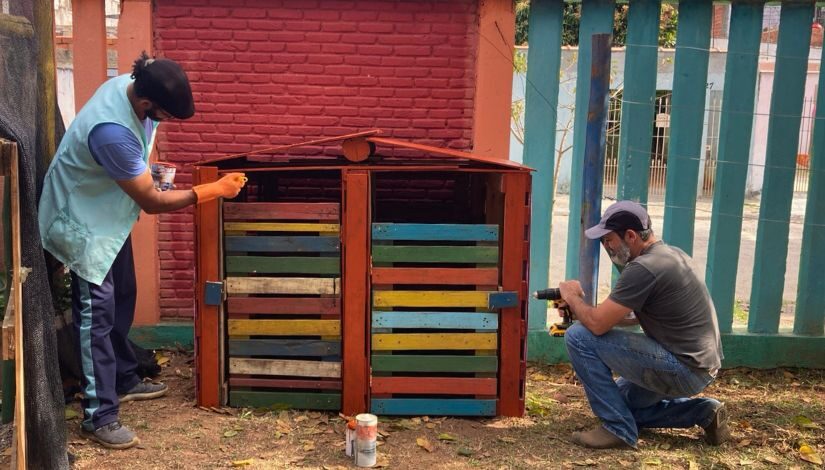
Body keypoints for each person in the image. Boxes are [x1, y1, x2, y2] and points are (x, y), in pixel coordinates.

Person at [38, 52, 247, 449]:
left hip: (109, 214)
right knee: (94, 318)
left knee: (124, 296)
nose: (162, 122)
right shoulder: (111, 131)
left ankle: (123, 377)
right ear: (146, 104)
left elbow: (132, 170)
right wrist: (213, 191)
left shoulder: (131, 89)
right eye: (163, 115)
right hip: (84, 224)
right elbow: (152, 202)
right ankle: (99, 416)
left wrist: (142, 170)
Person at [555, 200, 728, 449]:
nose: (607, 247)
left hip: (684, 367)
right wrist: (581, 311)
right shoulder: (671, 255)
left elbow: (596, 325)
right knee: (619, 402)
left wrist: (572, 297)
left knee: (578, 336)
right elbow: (633, 317)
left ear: (631, 235)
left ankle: (618, 429)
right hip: (700, 366)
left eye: (609, 240)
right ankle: (704, 413)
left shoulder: (644, 268)